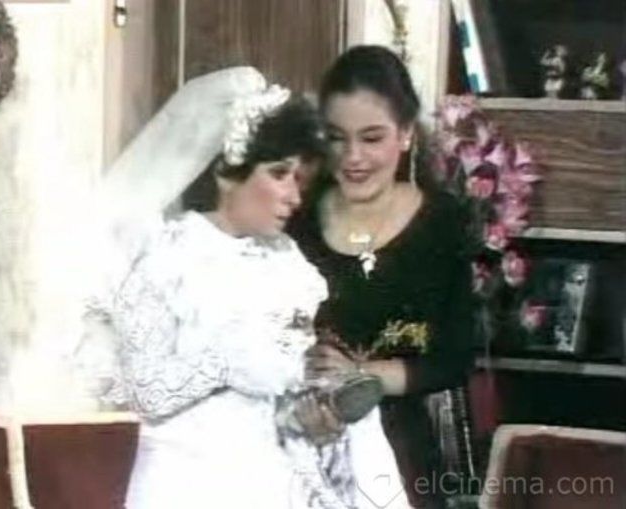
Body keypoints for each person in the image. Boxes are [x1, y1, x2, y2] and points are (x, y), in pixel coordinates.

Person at [81, 67, 410, 509]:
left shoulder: (286, 264)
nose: (294, 197)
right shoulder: (166, 256)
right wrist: (226, 364)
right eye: (279, 174)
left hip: (272, 475)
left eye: (300, 180)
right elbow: (143, 392)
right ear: (226, 172)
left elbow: (280, 397)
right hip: (186, 480)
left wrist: (312, 419)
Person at [289, 45, 476, 507]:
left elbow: (454, 358)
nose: (353, 157)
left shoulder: (443, 223)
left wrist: (360, 378)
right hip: (299, 445)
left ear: (406, 134)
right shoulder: (295, 219)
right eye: (337, 138)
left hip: (403, 456)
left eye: (372, 138)